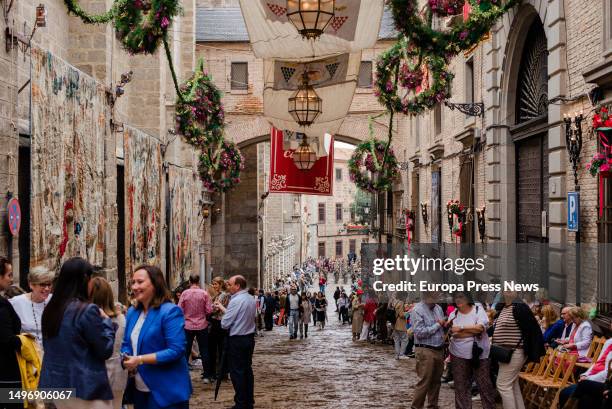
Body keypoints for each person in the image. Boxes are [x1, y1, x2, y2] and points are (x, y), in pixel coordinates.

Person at [39, 257, 115, 409]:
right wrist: (107, 323)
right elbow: (105, 349)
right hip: (84, 386)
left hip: (57, 386)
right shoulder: (86, 310)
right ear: (85, 279)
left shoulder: (51, 310)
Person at [121, 265, 191, 409]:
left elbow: (176, 350)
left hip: (166, 390)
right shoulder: (132, 313)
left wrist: (139, 360)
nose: (134, 286)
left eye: (140, 282)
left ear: (155, 283)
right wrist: (125, 357)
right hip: (140, 390)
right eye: (133, 282)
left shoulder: (170, 312)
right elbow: (126, 343)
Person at [492, 292, 545, 409]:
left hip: (515, 353)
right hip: (503, 353)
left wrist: (533, 351)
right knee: (512, 385)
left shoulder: (520, 308)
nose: (507, 291)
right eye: (505, 289)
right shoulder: (503, 308)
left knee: (503, 385)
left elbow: (533, 330)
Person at [447, 292, 495, 409]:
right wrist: (472, 330)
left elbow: (481, 328)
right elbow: (454, 334)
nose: (458, 300)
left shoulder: (478, 309)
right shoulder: (453, 314)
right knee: (461, 387)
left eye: (461, 296)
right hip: (458, 354)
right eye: (456, 297)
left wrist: (461, 328)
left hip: (480, 355)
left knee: (485, 386)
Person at [216, 275, 256, 409]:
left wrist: (224, 316)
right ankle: (248, 401)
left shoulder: (235, 300)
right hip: (249, 338)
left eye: (230, 284)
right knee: (247, 371)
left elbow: (225, 323)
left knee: (236, 372)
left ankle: (240, 403)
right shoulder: (251, 298)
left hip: (237, 339)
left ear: (237, 286)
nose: (228, 286)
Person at [89, 276, 127, 409]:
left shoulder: (90, 319)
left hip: (97, 372)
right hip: (117, 370)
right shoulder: (121, 318)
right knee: (116, 404)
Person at [410, 293, 446, 409]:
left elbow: (441, 327)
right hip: (425, 349)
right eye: (434, 295)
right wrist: (437, 325)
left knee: (436, 381)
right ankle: (416, 407)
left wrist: (445, 325)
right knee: (424, 381)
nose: (437, 298)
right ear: (426, 296)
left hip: (439, 349)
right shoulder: (417, 310)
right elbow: (419, 333)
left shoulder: (438, 308)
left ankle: (432, 406)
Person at [559, 335, 612, 409]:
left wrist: (588, 378)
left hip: (604, 382)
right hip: (593, 378)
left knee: (584, 395)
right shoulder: (609, 342)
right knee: (564, 393)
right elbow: (597, 362)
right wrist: (585, 375)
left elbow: (608, 372)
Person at [178, 274, 213, 382]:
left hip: (187, 325)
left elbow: (179, 309)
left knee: (186, 350)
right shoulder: (204, 294)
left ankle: (183, 375)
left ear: (189, 281)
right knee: (204, 350)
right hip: (202, 324)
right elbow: (209, 311)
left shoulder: (184, 293)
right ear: (198, 281)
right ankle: (207, 375)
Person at [10, 266, 54, 347]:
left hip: (51, 354)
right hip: (28, 355)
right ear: (31, 285)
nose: (47, 288)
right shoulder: (16, 302)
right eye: (42, 284)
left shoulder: (54, 300)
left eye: (49, 284)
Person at [0, 257, 23, 409]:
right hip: (5, 372)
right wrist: (25, 341)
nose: (11, 279)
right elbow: (7, 339)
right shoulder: (1, 307)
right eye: (8, 275)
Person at [207, 276, 229, 382]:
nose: (213, 286)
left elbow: (215, 309)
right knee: (217, 348)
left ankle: (220, 372)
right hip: (217, 323)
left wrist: (208, 308)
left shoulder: (223, 295)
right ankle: (219, 372)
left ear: (220, 284)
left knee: (219, 348)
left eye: (215, 284)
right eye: (213, 283)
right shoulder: (218, 295)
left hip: (219, 324)